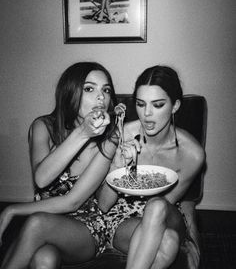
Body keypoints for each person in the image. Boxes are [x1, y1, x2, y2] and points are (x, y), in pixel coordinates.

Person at [0, 62, 118, 268]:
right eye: (89, 89)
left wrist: (12, 210)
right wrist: (81, 133)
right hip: (46, 221)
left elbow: (72, 202)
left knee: (37, 222)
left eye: (106, 90)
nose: (101, 97)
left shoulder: (110, 140)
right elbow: (42, 178)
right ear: (69, 92)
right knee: (44, 259)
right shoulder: (43, 126)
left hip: (86, 229)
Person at [98, 65, 205, 269]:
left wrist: (193, 232)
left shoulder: (192, 154)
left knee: (156, 206)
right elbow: (103, 205)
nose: (146, 114)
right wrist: (118, 167)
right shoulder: (120, 136)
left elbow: (165, 203)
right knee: (169, 242)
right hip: (123, 218)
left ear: (174, 106)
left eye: (157, 105)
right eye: (140, 104)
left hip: (165, 213)